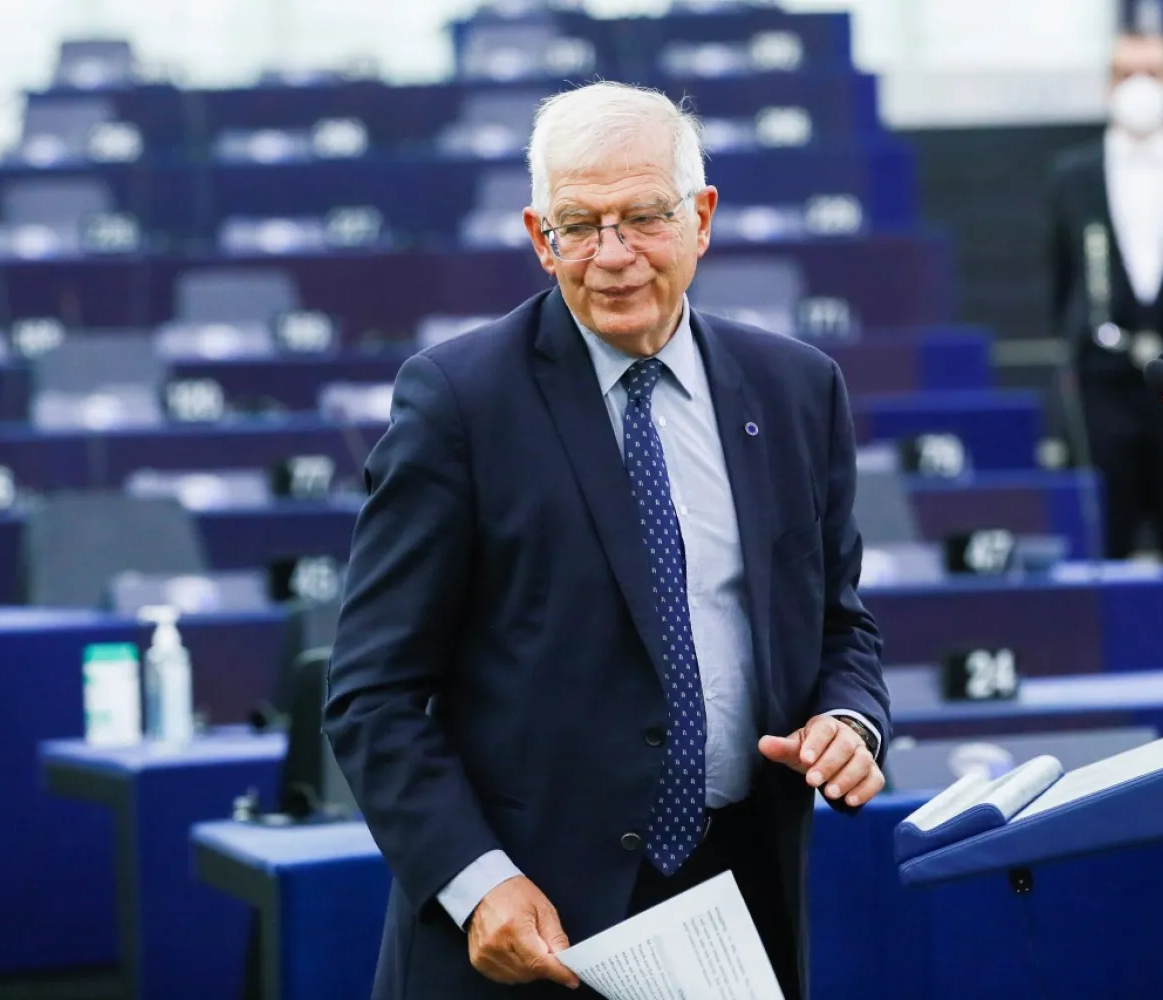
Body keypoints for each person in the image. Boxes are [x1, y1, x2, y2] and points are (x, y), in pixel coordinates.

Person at [324, 81, 891, 1000]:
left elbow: (838, 624)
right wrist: (476, 883)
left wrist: (848, 720)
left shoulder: (797, 390)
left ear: (701, 218)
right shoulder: (460, 403)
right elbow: (371, 694)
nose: (613, 255)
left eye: (644, 217)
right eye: (579, 225)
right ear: (538, 236)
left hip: (736, 905)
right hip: (526, 927)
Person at [1049, 31, 1163, 667]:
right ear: (1108, 87)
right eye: (1125, 73)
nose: (1139, 87)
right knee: (1108, 548)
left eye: (1152, 72)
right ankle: (1111, 682)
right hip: (1104, 389)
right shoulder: (1071, 178)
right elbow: (1062, 286)